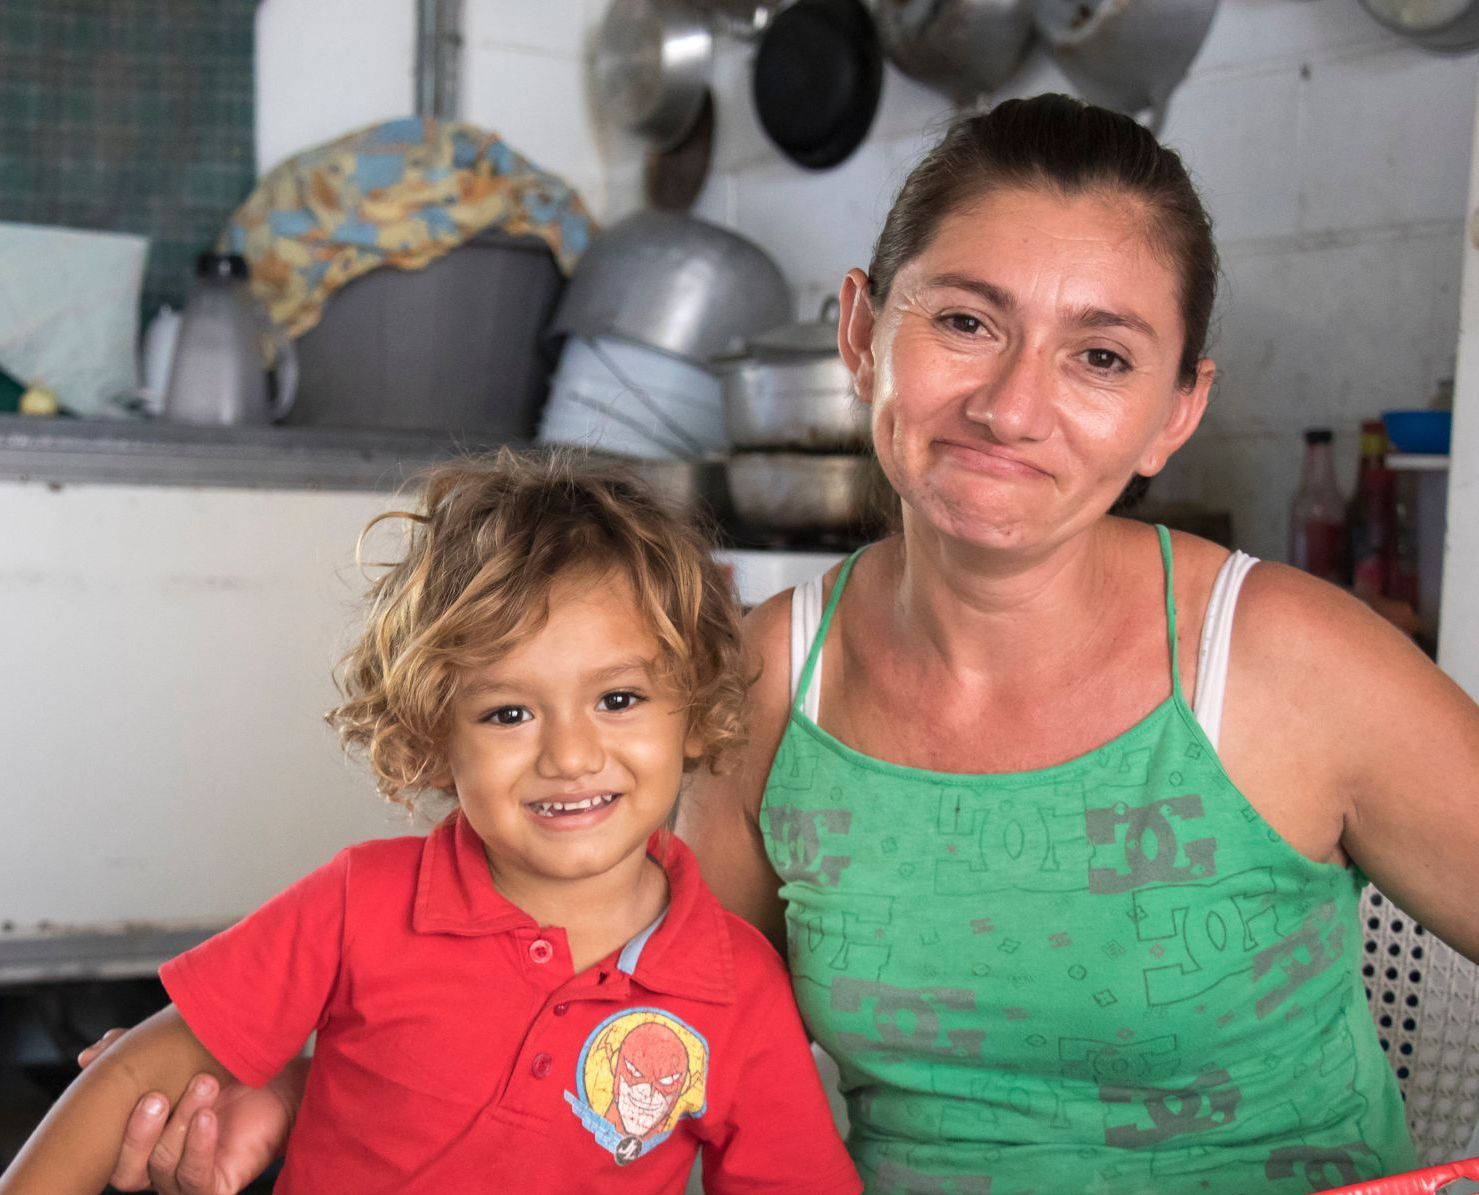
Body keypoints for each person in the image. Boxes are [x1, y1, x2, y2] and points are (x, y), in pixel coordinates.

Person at [77, 93, 1479, 1194]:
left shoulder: (1290, 661)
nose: (1009, 403)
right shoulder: (751, 685)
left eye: (1099, 356)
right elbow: (604, 998)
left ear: (1176, 409)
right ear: (864, 332)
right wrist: (302, 1078)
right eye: (965, 321)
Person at [3, 450, 862, 1195]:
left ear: (695, 708)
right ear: (431, 733)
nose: (569, 753)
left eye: (618, 698)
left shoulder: (737, 984)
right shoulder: (359, 901)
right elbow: (140, 1068)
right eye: (507, 714)